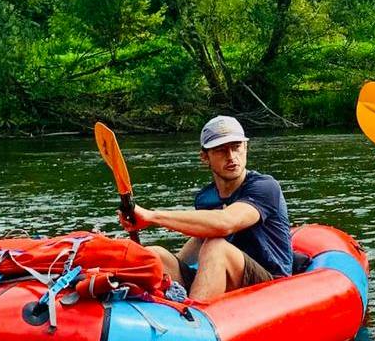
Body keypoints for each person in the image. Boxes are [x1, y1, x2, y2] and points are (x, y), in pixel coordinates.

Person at [121, 115, 292, 301]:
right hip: (228, 273)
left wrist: (151, 216)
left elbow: (225, 223)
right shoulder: (205, 197)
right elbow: (203, 237)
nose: (231, 156)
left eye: (236, 147)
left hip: (270, 280)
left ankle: (194, 322)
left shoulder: (265, 187)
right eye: (221, 150)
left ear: (245, 148)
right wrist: (171, 263)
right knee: (158, 255)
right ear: (205, 157)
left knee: (216, 247)